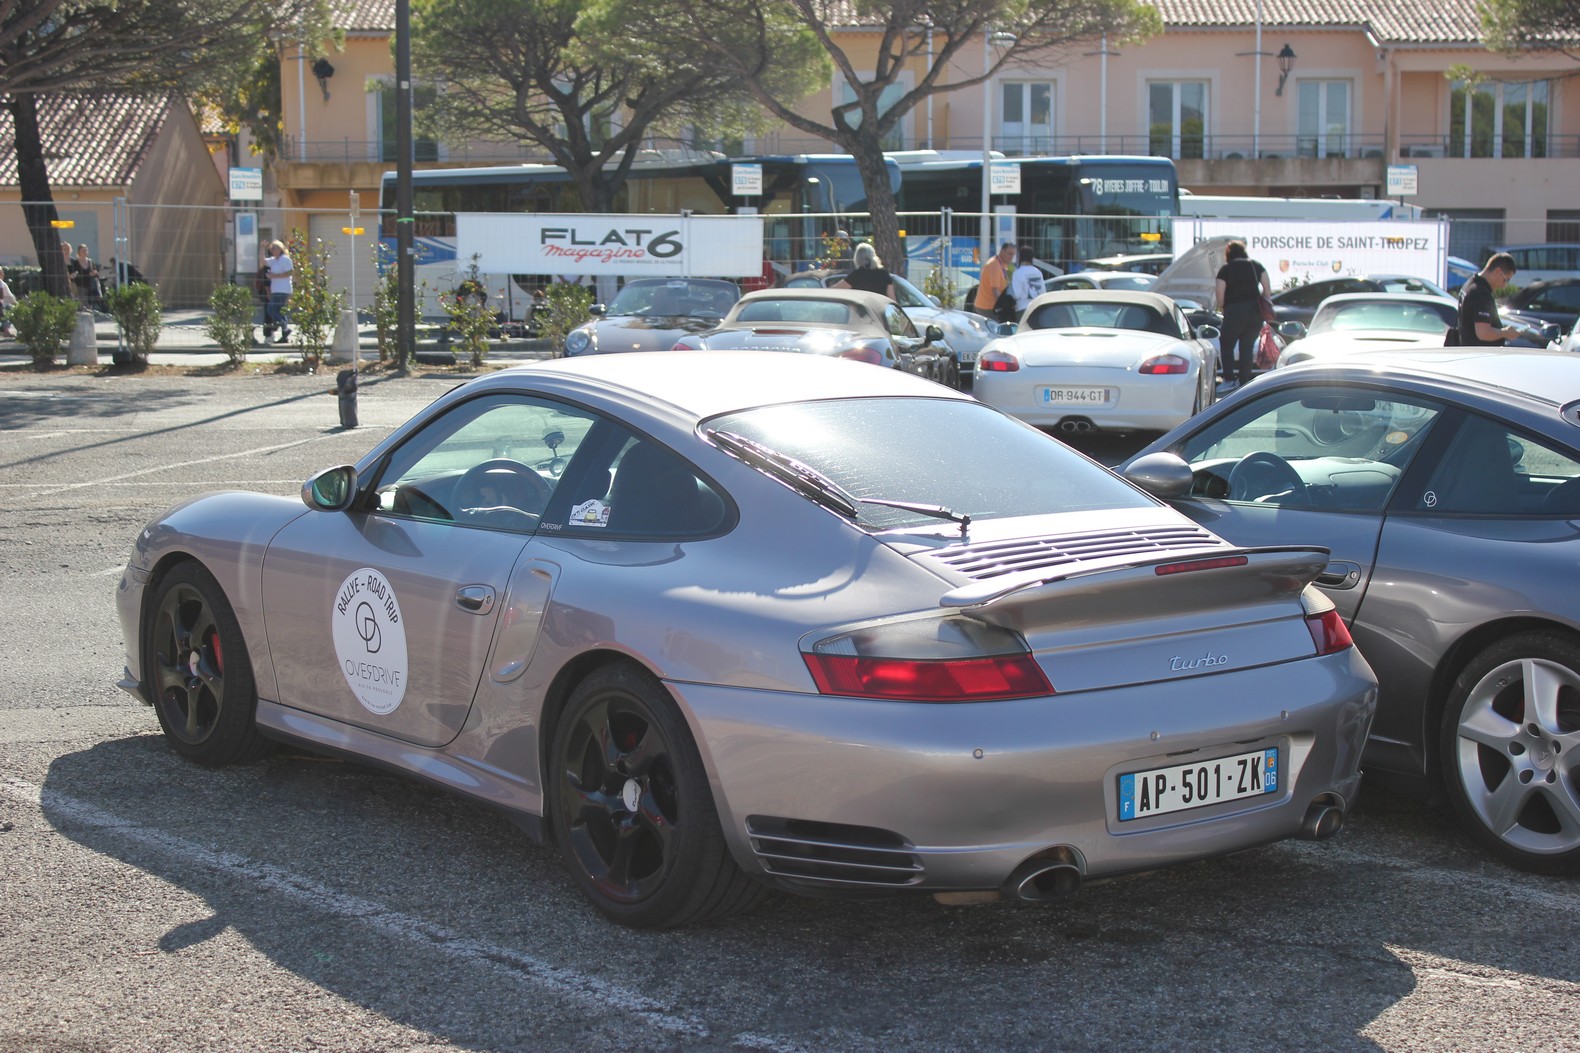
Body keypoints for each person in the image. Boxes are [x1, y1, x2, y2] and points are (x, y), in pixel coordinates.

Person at [1214, 239, 1272, 389]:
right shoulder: (1256, 266)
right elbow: (1267, 288)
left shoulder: (1226, 270)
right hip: (1255, 312)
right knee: (1246, 347)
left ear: (1229, 253)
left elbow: (1220, 292)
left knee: (1226, 344)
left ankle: (1229, 379)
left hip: (1234, 311)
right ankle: (1244, 382)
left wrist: (1222, 306)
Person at [1457, 252, 1522, 347]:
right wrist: (1506, 332)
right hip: (1480, 355)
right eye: (1506, 280)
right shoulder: (1481, 293)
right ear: (1498, 272)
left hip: (1469, 350)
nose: (1504, 285)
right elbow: (1483, 333)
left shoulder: (1470, 284)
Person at [972, 242, 1018, 322]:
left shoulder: (1001, 263)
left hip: (991, 306)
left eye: (1013, 255)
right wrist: (1004, 306)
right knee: (999, 330)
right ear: (1002, 251)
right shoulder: (994, 266)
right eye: (1009, 254)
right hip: (988, 307)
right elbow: (995, 291)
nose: (1011, 257)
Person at [263, 239, 293, 344]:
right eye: (271, 249)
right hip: (276, 289)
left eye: (274, 248)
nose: (272, 250)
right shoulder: (273, 260)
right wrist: (262, 249)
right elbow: (262, 262)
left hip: (283, 289)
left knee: (271, 309)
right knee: (279, 311)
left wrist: (274, 276)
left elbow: (289, 273)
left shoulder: (285, 259)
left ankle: (285, 328)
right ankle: (285, 332)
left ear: (280, 249)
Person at [1010, 245, 1046, 316]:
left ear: (1020, 257)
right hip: (1037, 308)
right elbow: (1043, 292)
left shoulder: (1017, 273)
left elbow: (1017, 294)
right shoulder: (1038, 272)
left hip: (1023, 309)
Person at [68, 243, 103, 309]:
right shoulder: (75, 262)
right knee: (82, 306)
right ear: (79, 252)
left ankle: (90, 318)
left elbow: (96, 274)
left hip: (90, 287)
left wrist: (94, 273)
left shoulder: (90, 261)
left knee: (89, 306)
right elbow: (73, 274)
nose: (85, 252)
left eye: (86, 250)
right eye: (83, 251)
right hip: (80, 287)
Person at [0, 265, 16, 338]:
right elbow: (6, 297)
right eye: (2, 272)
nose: (3, 274)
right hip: (2, 305)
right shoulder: (1, 283)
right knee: (10, 310)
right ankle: (6, 331)